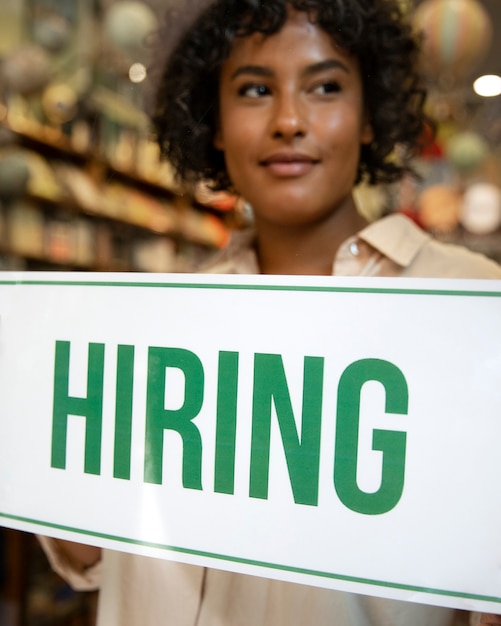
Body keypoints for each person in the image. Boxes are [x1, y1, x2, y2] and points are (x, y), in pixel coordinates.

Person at [39, 0, 501, 624]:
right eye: (255, 89)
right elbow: (90, 553)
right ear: (216, 120)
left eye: (326, 87)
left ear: (368, 115)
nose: (288, 120)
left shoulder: (470, 306)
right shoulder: (155, 326)